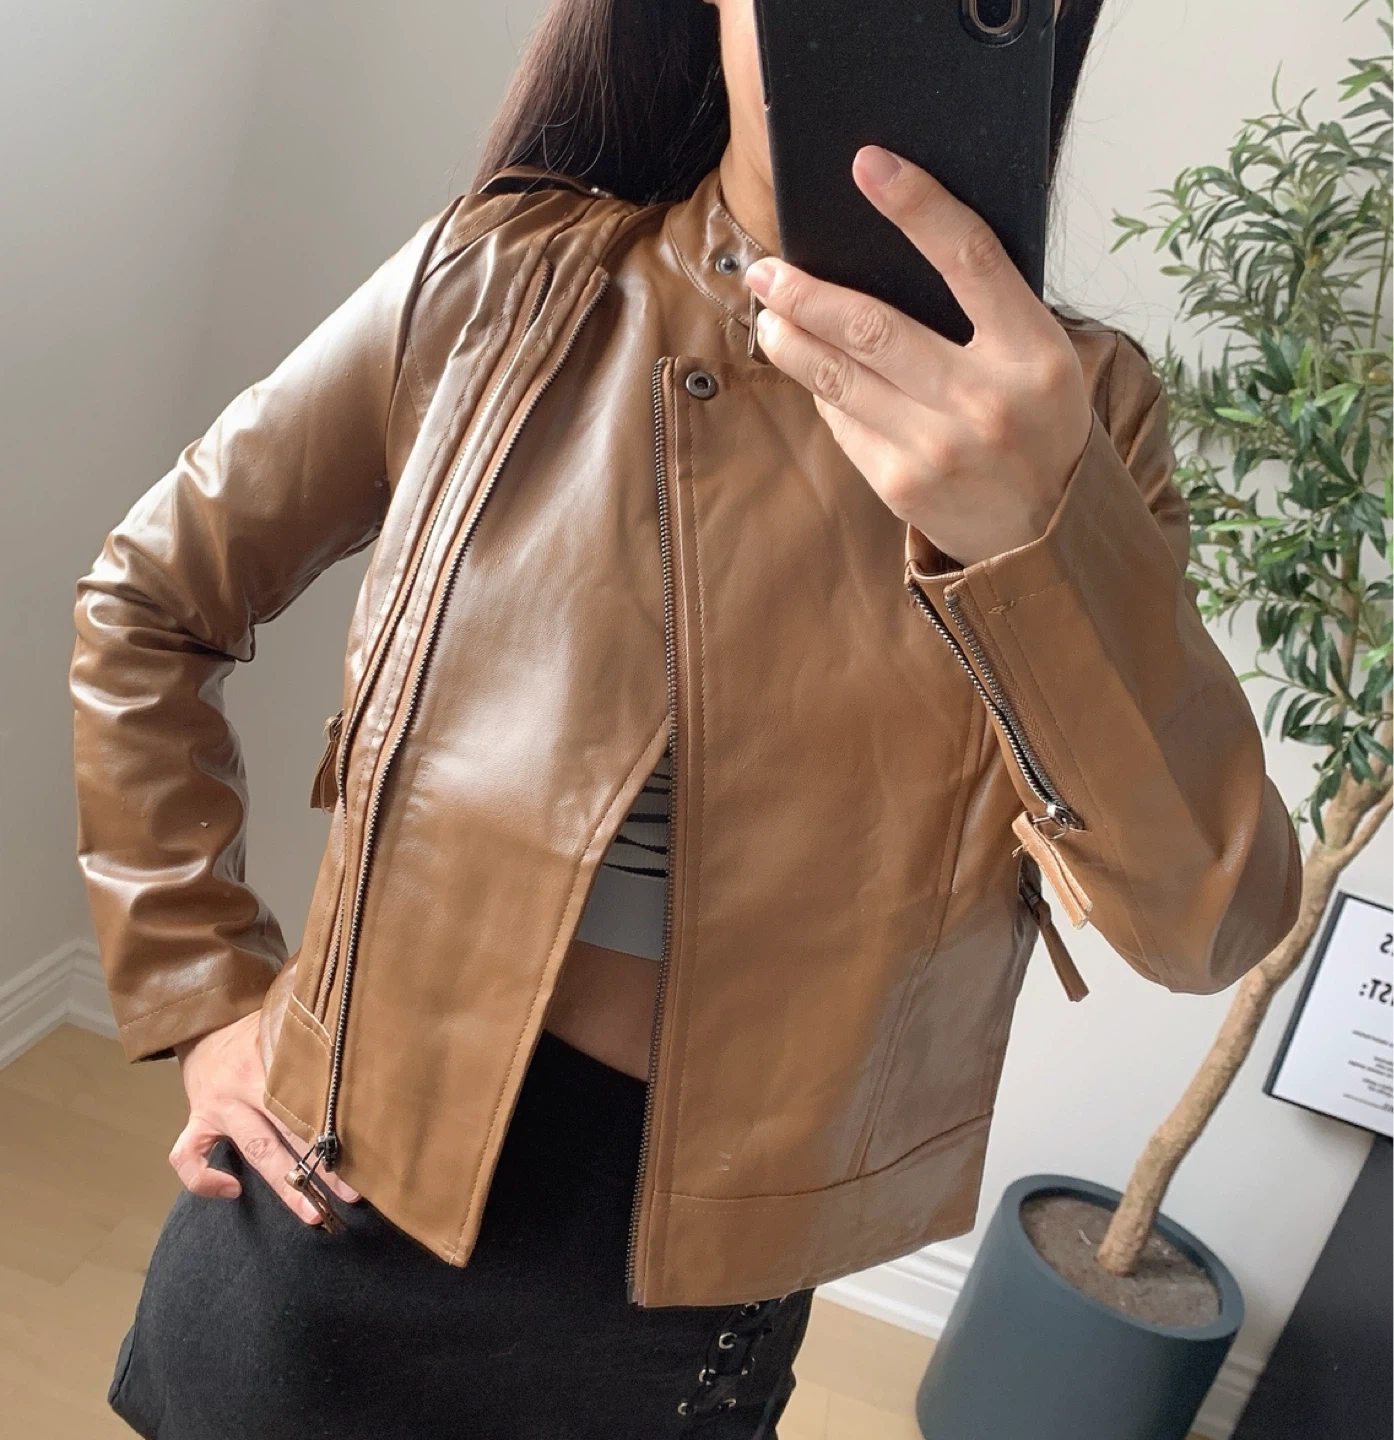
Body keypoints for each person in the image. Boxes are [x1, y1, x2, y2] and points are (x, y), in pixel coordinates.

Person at [68, 0, 1302, 1436]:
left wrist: (1034, 533)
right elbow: (146, 602)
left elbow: (1209, 923)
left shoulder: (1082, 416)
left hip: (694, 1305)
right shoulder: (500, 278)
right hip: (329, 1213)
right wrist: (204, 992)